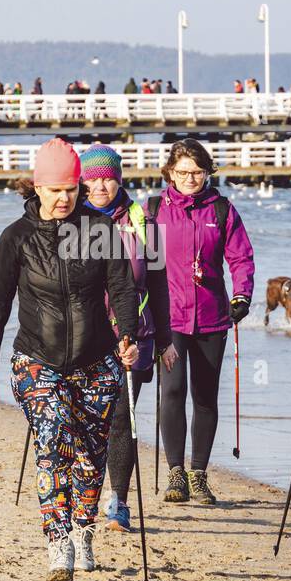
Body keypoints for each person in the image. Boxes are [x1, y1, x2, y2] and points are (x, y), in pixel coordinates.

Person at [0, 138, 139, 581]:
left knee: (89, 455)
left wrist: (129, 334)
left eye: (72, 188)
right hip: (36, 360)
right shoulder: (17, 238)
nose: (65, 198)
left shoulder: (100, 230)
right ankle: (57, 540)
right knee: (52, 442)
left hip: (96, 360)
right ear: (37, 188)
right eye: (56, 190)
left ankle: (83, 531)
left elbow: (123, 288)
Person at [76, 144, 176, 532]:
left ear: (120, 178)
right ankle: (85, 490)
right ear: (83, 182)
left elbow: (159, 283)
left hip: (132, 335)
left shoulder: (143, 221)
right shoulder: (73, 220)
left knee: (122, 417)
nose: (101, 186)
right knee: (86, 419)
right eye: (93, 179)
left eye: (109, 178)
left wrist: (166, 339)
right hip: (83, 335)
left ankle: (118, 499)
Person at [151, 139, 255, 505]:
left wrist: (242, 295)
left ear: (208, 172)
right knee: (173, 390)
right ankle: (175, 473)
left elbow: (241, 258)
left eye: (197, 172)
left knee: (205, 396)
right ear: (169, 173)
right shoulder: (153, 211)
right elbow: (137, 262)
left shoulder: (223, 210)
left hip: (213, 316)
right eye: (182, 172)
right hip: (169, 319)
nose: (190, 178)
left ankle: (199, 474)